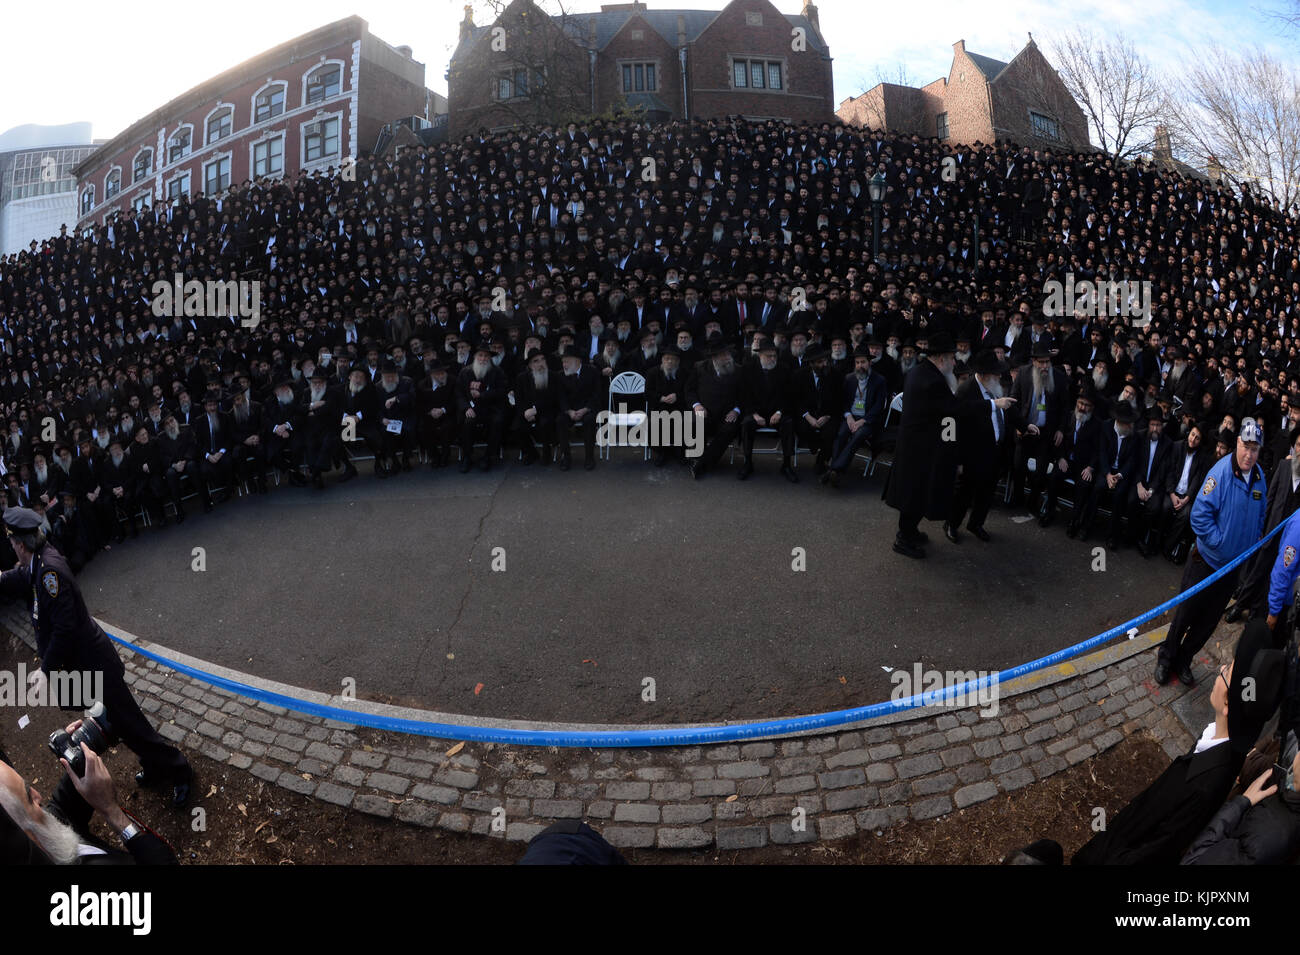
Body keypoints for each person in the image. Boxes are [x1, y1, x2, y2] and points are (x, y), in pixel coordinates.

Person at [0, 507, 192, 806]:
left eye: (13, 543)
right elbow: (21, 576)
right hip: (86, 666)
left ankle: (180, 771)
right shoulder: (38, 561)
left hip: (95, 665)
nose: (12, 547)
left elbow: (65, 627)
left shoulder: (49, 571)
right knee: (119, 723)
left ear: (20, 544)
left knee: (131, 723)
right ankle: (155, 765)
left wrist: (45, 669)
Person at [1074, 620, 1285, 865]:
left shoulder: (1205, 786)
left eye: (1226, 671)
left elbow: (1157, 849)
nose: (1220, 670)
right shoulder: (1219, 738)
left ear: (1227, 704)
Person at [1155, 419, 1269, 686]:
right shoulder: (1221, 473)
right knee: (1185, 614)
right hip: (1205, 562)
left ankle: (1183, 659)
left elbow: (1261, 511)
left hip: (1231, 569)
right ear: (1237, 443)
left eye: (1255, 449)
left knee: (1206, 624)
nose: (1249, 454)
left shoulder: (1260, 477)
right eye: (1246, 446)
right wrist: (1220, 543)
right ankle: (1165, 658)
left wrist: (1254, 536)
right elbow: (1199, 516)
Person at [0, 737, 177, 864]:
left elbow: (60, 813)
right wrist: (112, 812)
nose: (38, 795)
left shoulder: (39, 840)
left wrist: (76, 759)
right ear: (23, 839)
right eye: (29, 798)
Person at [885, 333, 959, 559]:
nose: (954, 363)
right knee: (914, 496)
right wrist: (992, 404)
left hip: (915, 444)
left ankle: (910, 532)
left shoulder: (920, 371)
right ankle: (903, 539)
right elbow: (953, 410)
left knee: (914, 494)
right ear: (941, 358)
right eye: (952, 358)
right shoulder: (933, 380)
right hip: (920, 448)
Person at [1226, 424, 1300, 624]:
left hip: (1290, 541)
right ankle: (1240, 605)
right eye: (1299, 445)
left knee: (1273, 579)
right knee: (1257, 572)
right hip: (1270, 533)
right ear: (1294, 446)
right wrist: (1261, 529)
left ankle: (1256, 612)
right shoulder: (1284, 467)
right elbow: (1269, 499)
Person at [946, 350, 1015, 543]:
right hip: (971, 453)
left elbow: (1008, 409)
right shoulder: (966, 391)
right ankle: (951, 523)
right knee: (964, 493)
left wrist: (1025, 425)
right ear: (984, 375)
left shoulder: (993, 386)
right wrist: (958, 460)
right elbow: (954, 427)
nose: (1000, 376)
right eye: (996, 373)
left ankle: (976, 523)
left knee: (987, 491)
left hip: (994, 450)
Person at [823, 343, 887, 488]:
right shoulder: (849, 378)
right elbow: (844, 401)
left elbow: (878, 407)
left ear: (870, 362)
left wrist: (863, 421)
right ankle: (836, 471)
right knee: (841, 434)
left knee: (858, 436)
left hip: (869, 420)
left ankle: (834, 469)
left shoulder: (879, 380)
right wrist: (849, 416)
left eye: (863, 362)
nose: (860, 366)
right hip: (851, 417)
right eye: (857, 362)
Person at [738, 339, 797, 482]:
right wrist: (754, 414)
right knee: (746, 424)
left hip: (776, 412)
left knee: (788, 423)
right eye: (768, 356)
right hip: (756, 412)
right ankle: (748, 462)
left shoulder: (784, 369)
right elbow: (743, 394)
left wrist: (779, 412)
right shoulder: (748, 369)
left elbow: (790, 395)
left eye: (774, 356)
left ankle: (787, 465)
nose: (772, 359)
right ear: (760, 355)